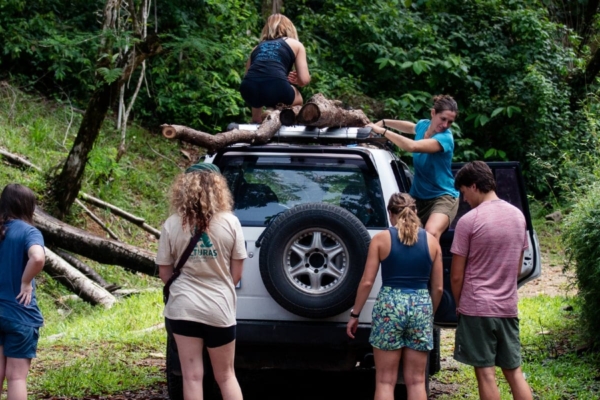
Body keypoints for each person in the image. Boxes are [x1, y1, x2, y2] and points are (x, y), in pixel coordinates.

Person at [157, 163, 247, 400]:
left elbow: (164, 273)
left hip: (183, 308)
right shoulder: (231, 222)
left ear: (184, 188)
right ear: (218, 188)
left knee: (192, 377)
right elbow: (236, 273)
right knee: (226, 376)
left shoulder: (172, 224)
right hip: (219, 307)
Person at [347, 193, 443, 400]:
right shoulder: (432, 242)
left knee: (385, 380)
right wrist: (428, 314)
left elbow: (367, 282)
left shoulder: (381, 239)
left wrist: (355, 314)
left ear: (391, 214)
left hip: (390, 306)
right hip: (420, 305)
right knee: (417, 381)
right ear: (416, 212)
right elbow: (438, 288)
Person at [450, 161, 533, 400]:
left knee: (485, 374)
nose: (465, 200)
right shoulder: (518, 216)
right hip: (507, 307)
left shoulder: (469, 221)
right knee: (514, 372)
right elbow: (517, 267)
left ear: (474, 186)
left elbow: (456, 275)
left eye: (464, 193)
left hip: (477, 308)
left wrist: (460, 305)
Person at [367, 95, 459, 241]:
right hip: (417, 196)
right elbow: (410, 127)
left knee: (430, 234)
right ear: (433, 113)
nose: (445, 125)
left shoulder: (445, 138)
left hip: (442, 196)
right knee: (404, 235)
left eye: (450, 122)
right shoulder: (423, 126)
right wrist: (384, 122)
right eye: (443, 119)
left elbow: (412, 146)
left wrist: (382, 131)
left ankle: (436, 264)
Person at [0, 183, 46, 400]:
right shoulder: (29, 231)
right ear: (29, 207)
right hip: (20, 314)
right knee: (16, 377)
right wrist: (26, 281)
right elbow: (37, 257)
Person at [240, 13, 311, 123]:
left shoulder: (256, 48)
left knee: (257, 87)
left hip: (248, 88)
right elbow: (305, 80)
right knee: (298, 98)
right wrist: (299, 81)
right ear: (290, 28)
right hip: (277, 86)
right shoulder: (296, 44)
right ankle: (277, 115)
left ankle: (256, 119)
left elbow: (249, 76)